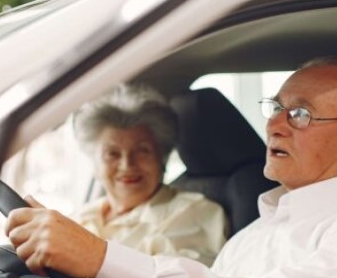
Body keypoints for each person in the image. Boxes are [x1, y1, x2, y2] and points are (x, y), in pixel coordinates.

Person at [6, 56, 337, 278]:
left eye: (300, 114)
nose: (274, 125)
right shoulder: (254, 234)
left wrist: (99, 258)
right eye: (275, 108)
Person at [70, 83, 228, 267]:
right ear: (95, 163)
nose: (127, 165)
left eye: (142, 151)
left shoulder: (195, 213)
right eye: (112, 154)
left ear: (162, 158)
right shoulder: (83, 216)